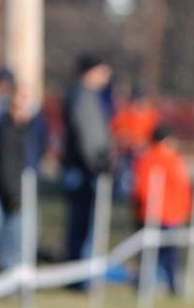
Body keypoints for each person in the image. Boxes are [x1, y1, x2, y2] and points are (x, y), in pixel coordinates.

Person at [62, 54, 114, 271]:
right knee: (83, 224)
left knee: (82, 223)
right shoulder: (82, 98)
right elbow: (87, 135)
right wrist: (97, 163)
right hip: (84, 171)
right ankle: (82, 273)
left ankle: (80, 271)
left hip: (86, 169)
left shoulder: (90, 97)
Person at [0, 86, 41, 272]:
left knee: (19, 238)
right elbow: (4, 163)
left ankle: (13, 274)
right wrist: (12, 193)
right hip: (10, 190)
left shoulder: (29, 130)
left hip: (22, 189)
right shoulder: (6, 129)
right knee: (5, 235)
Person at [132, 124, 193, 295]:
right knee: (167, 253)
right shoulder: (169, 159)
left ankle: (161, 283)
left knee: (155, 253)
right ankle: (166, 284)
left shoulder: (146, 159)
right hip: (166, 215)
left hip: (156, 214)